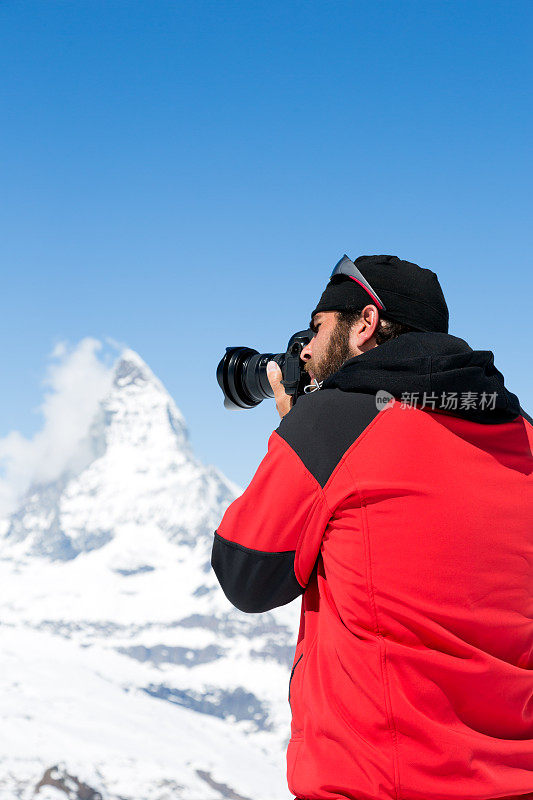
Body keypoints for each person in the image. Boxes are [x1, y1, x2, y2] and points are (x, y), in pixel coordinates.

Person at [211, 254, 533, 800]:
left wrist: (297, 435)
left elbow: (245, 575)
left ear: (364, 323)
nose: (306, 351)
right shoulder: (519, 432)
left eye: (316, 329)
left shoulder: (334, 424)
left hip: (379, 784)